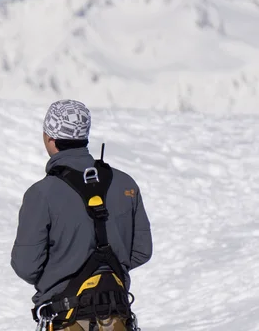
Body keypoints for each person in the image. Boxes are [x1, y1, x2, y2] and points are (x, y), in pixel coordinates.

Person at [10, 99, 153, 331]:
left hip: (66, 318)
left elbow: (26, 266)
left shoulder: (41, 194)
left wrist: (62, 271)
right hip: (117, 316)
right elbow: (141, 251)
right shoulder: (126, 184)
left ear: (50, 139)